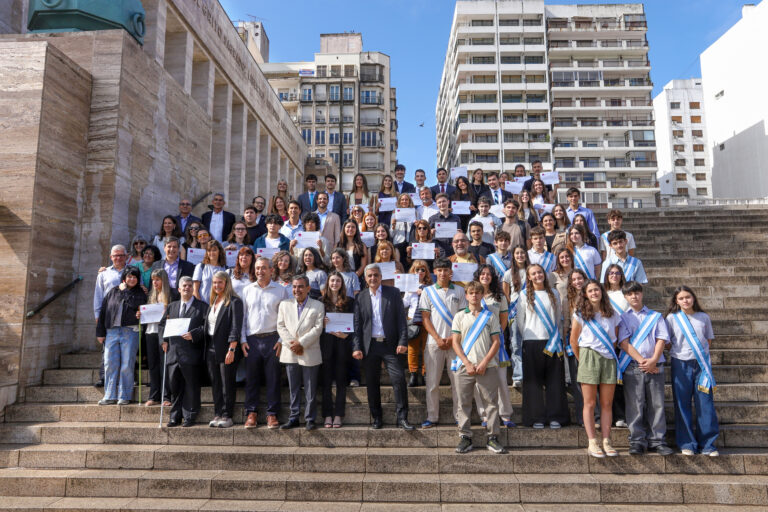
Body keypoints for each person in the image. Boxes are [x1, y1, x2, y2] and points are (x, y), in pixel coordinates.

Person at [352, 264, 413, 430]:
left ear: (381, 276)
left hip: (390, 345)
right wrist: (356, 347)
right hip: (370, 346)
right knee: (372, 383)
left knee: (399, 380)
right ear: (365, 278)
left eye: (376, 275)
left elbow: (402, 320)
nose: (373, 278)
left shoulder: (393, 293)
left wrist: (402, 342)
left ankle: (402, 418)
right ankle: (377, 418)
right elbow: (357, 325)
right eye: (370, 276)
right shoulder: (360, 297)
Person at [569, 279, 625, 458]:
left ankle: (607, 440)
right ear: (585, 294)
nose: (594, 293)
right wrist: (583, 360)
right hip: (589, 356)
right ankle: (592, 441)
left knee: (607, 403)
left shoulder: (612, 313)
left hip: (608, 358)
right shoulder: (580, 314)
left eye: (597, 290)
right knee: (590, 403)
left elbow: (614, 340)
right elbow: (573, 341)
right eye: (590, 291)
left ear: (602, 292)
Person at [618, 281, 674, 456]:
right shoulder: (623, 317)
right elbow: (623, 343)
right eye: (630, 294)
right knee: (635, 404)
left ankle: (658, 440)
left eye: (637, 293)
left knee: (657, 404)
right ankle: (637, 440)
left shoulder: (655, 316)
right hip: (633, 365)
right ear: (625, 297)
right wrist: (644, 361)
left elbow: (661, 339)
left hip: (655, 365)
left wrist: (654, 360)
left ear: (642, 294)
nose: (634, 296)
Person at [451, 281, 506, 454]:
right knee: (463, 403)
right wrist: (467, 363)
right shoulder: (459, 316)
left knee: (491, 403)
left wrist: (484, 362)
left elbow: (496, 342)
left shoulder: (490, 316)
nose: (474, 296)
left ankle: (493, 437)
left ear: (482, 295)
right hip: (464, 367)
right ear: (466, 295)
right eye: (471, 293)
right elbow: (455, 342)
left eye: (477, 293)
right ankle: (465, 437)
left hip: (486, 366)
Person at [665, 286, 719, 456]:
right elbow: (667, 342)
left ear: (693, 298)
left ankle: (708, 444)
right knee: (682, 404)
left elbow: (708, 341)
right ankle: (687, 443)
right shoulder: (672, 318)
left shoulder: (704, 317)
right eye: (681, 298)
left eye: (688, 297)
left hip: (701, 365)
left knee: (705, 404)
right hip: (680, 364)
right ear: (676, 301)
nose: (685, 301)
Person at [516, 264, 569, 429]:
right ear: (529, 277)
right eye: (534, 273)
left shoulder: (554, 293)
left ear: (544, 275)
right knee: (533, 383)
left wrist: (557, 338)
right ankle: (535, 417)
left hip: (552, 341)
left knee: (555, 381)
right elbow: (520, 321)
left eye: (540, 272)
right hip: (532, 342)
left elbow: (558, 317)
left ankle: (556, 416)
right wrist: (529, 337)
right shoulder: (523, 295)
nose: (537, 275)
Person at [241, 257, 291, 429]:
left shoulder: (280, 290)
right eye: (257, 268)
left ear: (271, 270)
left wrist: (281, 340)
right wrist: (242, 340)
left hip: (273, 339)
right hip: (252, 340)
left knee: (273, 378)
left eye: (263, 268)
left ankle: (272, 414)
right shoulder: (247, 290)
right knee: (252, 379)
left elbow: (286, 318)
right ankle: (251, 413)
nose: (260, 271)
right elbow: (243, 317)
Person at [418, 258, 466, 428]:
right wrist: (438, 339)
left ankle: (460, 416)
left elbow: (463, 319)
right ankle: (432, 416)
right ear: (435, 271)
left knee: (457, 384)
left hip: (455, 344)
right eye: (439, 270)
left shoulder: (460, 291)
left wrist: (453, 338)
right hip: (434, 343)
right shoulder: (427, 291)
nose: (443, 273)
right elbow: (425, 318)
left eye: (446, 270)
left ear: (450, 271)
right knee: (432, 383)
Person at [277, 274, 325, 430]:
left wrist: (301, 343)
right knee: (294, 388)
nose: (297, 290)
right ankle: (294, 417)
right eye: (294, 286)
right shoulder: (284, 304)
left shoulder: (318, 305)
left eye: (300, 286)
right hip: (291, 351)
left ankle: (310, 418)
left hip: (309, 350)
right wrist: (293, 344)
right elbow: (281, 326)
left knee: (310, 389)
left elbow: (318, 329)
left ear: (308, 288)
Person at [96, 266, 147, 405]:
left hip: (130, 331)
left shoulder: (140, 293)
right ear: (124, 277)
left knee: (126, 364)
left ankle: (124, 395)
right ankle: (109, 395)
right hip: (112, 331)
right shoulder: (113, 291)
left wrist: (125, 292)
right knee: (109, 363)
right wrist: (100, 332)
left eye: (134, 277)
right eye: (129, 276)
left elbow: (135, 305)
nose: (132, 279)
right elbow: (103, 311)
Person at [159, 276, 207, 427]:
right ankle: (175, 416)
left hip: (191, 353)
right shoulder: (172, 307)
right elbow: (162, 326)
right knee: (175, 387)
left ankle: (190, 416)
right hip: (173, 353)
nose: (187, 288)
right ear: (179, 289)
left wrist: (195, 334)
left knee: (191, 386)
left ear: (193, 289)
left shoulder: (202, 307)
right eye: (184, 286)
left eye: (189, 286)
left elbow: (207, 327)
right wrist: (163, 341)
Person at [473, 264, 515, 428]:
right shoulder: (472, 294)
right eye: (482, 274)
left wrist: (497, 335)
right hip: (476, 343)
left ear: (493, 277)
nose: (485, 276)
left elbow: (504, 319)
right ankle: (485, 416)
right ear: (478, 276)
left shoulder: (499, 297)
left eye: (488, 274)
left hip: (496, 343)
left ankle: (505, 414)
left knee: (501, 380)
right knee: (480, 382)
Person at [204, 271, 243, 428]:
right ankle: (218, 413)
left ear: (226, 283)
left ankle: (227, 415)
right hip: (211, 348)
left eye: (220, 282)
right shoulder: (213, 301)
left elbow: (235, 326)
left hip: (227, 348)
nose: (217, 285)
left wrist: (232, 349)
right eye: (214, 283)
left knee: (227, 382)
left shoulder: (234, 302)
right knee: (216, 383)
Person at [320, 272, 354, 428]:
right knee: (325, 382)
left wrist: (346, 335)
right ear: (328, 282)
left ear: (342, 283)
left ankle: (339, 414)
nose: (335, 283)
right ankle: (327, 414)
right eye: (332, 280)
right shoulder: (320, 302)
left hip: (342, 345)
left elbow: (355, 324)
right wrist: (323, 324)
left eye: (338, 281)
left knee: (341, 381)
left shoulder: (349, 302)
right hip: (325, 346)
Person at [141, 269, 171, 407]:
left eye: (158, 279)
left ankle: (166, 396)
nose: (155, 282)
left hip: (164, 333)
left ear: (163, 280)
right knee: (153, 365)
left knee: (164, 364)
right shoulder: (151, 296)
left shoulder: (171, 295)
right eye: (153, 280)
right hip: (150, 332)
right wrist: (140, 314)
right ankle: (154, 395)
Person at [564, 268, 589, 426]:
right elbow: (566, 324)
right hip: (574, 343)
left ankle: (597, 416)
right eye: (574, 279)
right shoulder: (567, 300)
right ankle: (582, 417)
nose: (577, 282)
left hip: (592, 344)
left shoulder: (592, 294)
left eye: (580, 278)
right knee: (578, 383)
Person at [403, 259, 432, 386]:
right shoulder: (410, 287)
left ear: (426, 272)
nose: (420, 272)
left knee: (427, 348)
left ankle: (425, 373)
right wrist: (410, 292)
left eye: (423, 270)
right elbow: (405, 304)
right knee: (412, 348)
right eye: (417, 270)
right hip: (412, 320)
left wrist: (424, 291)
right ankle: (413, 374)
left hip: (426, 320)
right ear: (413, 272)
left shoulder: (431, 287)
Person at [192, 240, 227, 304]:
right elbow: (195, 290)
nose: (211, 253)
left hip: (219, 306)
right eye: (209, 250)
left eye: (214, 250)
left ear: (219, 251)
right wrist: (201, 306)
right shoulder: (201, 266)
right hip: (202, 306)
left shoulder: (225, 269)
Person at [391, 193, 417, 268]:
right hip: (398, 242)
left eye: (406, 199)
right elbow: (391, 234)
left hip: (410, 242)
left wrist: (417, 224)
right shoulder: (395, 214)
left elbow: (419, 229)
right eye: (402, 200)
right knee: (398, 265)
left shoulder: (414, 213)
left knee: (410, 265)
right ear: (399, 202)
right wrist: (393, 226)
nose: (404, 201)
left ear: (409, 201)